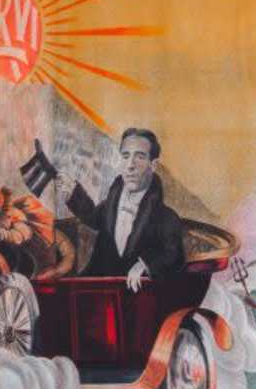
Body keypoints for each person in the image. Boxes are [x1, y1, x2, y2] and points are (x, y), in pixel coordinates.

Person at [62, 127, 195, 296]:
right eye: (126, 156)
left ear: (153, 165)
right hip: (99, 291)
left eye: (139, 157)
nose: (130, 165)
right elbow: (94, 218)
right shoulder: (110, 205)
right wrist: (74, 193)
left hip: (139, 297)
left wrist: (145, 264)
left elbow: (174, 256)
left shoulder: (167, 218)